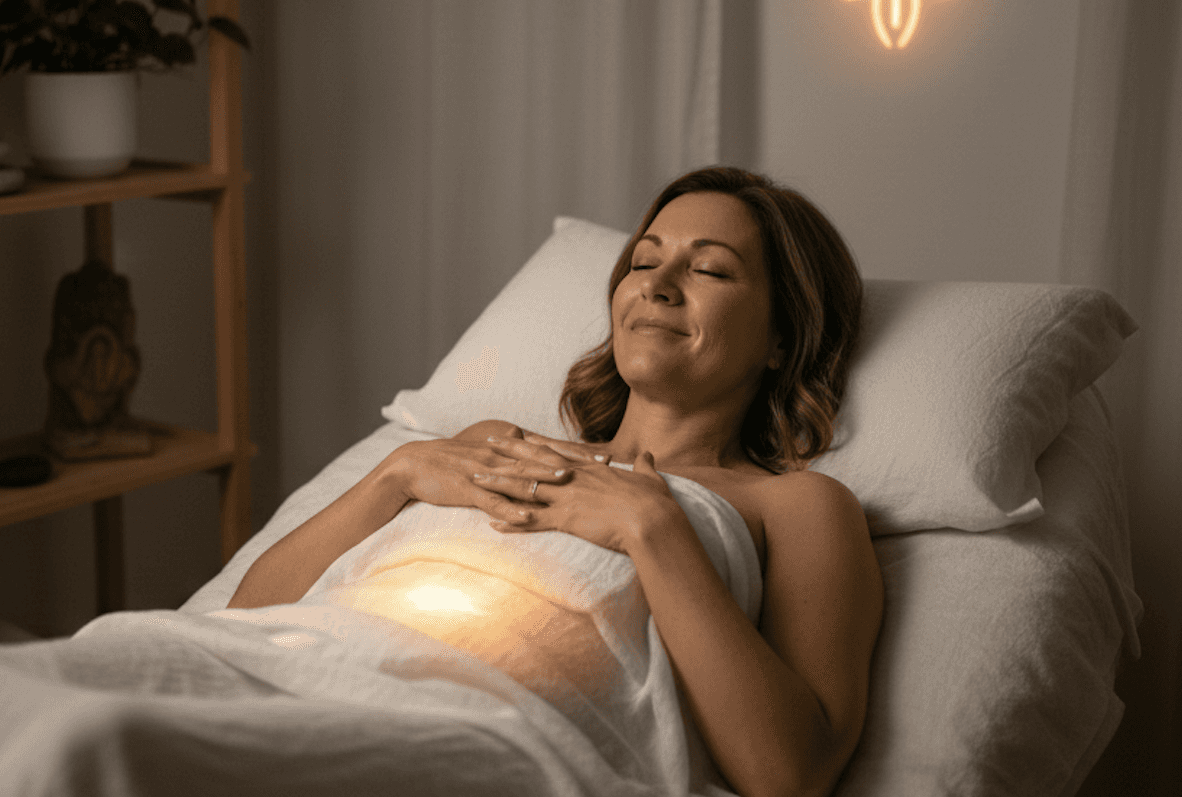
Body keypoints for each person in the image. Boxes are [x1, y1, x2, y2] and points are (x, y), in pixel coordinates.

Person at [229, 166, 883, 797]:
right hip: (285, 675)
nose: (657, 285)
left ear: (781, 338)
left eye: (710, 269)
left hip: (456, 739)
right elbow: (240, 621)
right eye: (643, 262)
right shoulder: (492, 444)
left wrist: (653, 531)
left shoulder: (797, 504)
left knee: (125, 734)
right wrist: (393, 476)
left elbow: (793, 775)